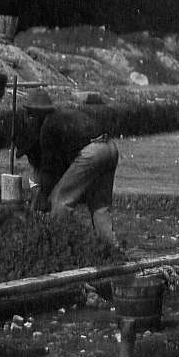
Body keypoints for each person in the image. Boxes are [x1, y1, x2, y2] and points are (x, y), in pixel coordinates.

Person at [17, 88, 119, 247]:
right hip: (110, 148)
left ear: (34, 113)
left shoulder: (48, 127)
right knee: (99, 206)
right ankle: (112, 250)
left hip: (92, 152)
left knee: (59, 201)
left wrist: (40, 200)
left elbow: (49, 174)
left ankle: (58, 247)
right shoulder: (61, 118)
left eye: (31, 115)